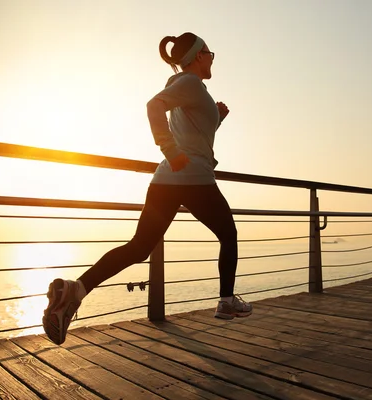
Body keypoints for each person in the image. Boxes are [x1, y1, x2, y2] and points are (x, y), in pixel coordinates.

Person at [42, 32, 252, 345]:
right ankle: (226, 301)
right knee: (229, 234)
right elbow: (153, 106)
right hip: (192, 178)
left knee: (140, 247)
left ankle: (74, 291)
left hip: (166, 181)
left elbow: (194, 136)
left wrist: (216, 119)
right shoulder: (191, 84)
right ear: (197, 56)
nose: (211, 58)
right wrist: (171, 151)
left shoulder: (191, 90)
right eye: (209, 53)